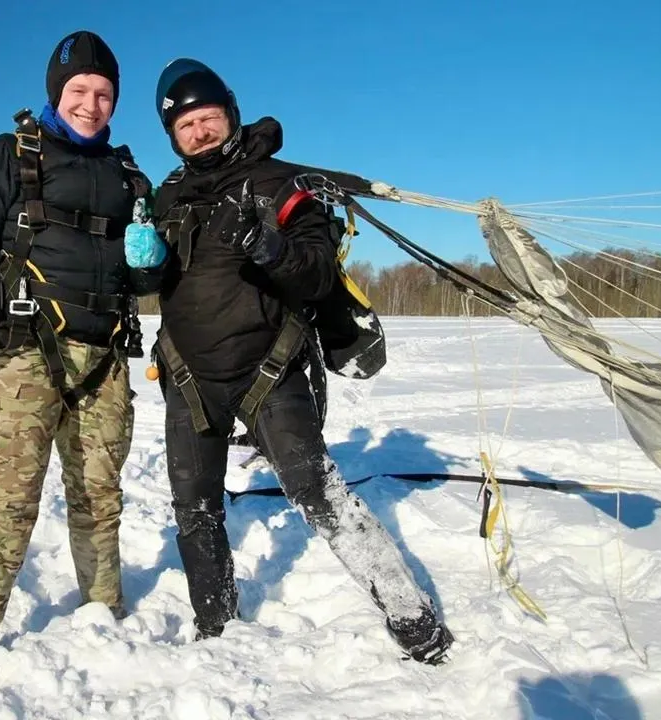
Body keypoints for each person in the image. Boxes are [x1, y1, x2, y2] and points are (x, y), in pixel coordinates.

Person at [139, 58, 455, 665]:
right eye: (186, 126)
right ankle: (216, 624)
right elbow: (151, 277)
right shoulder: (167, 197)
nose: (200, 132)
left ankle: (411, 616)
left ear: (229, 115)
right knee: (194, 508)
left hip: (269, 373)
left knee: (321, 493)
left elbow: (314, 275)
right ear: (173, 136)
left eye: (209, 119)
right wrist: (142, 267)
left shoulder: (283, 185)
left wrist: (271, 246)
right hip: (187, 376)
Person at [0, 29, 160, 700]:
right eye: (80, 91)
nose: (91, 105)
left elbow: (139, 279)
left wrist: (153, 264)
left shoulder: (130, 177)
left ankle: (102, 611)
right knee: (6, 507)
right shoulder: (6, 156)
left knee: (99, 501)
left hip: (106, 361)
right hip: (22, 357)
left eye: (105, 94)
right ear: (56, 92)